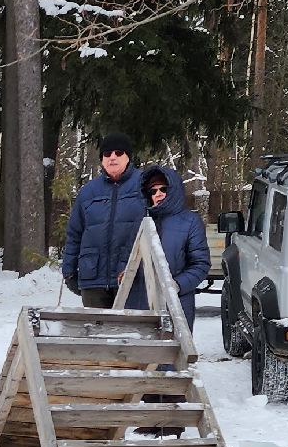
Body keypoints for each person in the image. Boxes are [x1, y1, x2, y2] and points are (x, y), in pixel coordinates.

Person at [61, 133, 147, 308]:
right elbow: (75, 233)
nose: (112, 157)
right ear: (101, 159)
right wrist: (69, 271)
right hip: (93, 280)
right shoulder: (88, 192)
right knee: (96, 326)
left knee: (131, 326)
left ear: (128, 157)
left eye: (118, 153)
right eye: (107, 154)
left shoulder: (144, 186)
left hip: (132, 278)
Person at [126, 165, 211, 324]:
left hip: (177, 304)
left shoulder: (190, 221)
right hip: (140, 303)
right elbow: (128, 255)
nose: (158, 194)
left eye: (163, 189)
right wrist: (124, 272)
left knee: (174, 340)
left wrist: (177, 285)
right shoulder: (140, 221)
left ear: (173, 190)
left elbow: (200, 264)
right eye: (153, 191)